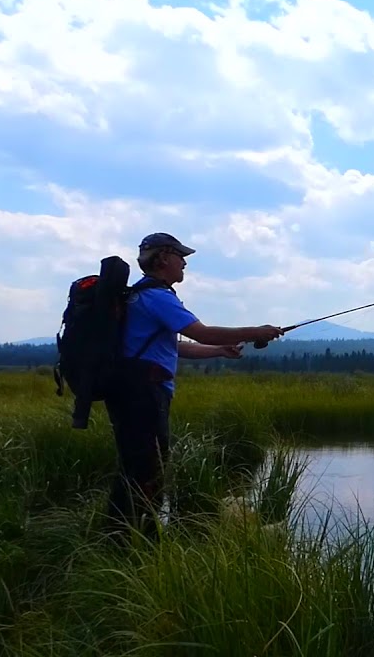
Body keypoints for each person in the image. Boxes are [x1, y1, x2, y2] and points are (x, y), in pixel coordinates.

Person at [101, 231, 286, 543]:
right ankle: (131, 543)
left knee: (138, 466)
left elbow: (176, 347)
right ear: (162, 258)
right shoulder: (157, 297)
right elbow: (202, 332)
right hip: (144, 394)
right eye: (179, 255)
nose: (184, 262)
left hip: (135, 392)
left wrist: (219, 352)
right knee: (149, 470)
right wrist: (259, 330)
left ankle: (122, 537)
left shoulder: (140, 296)